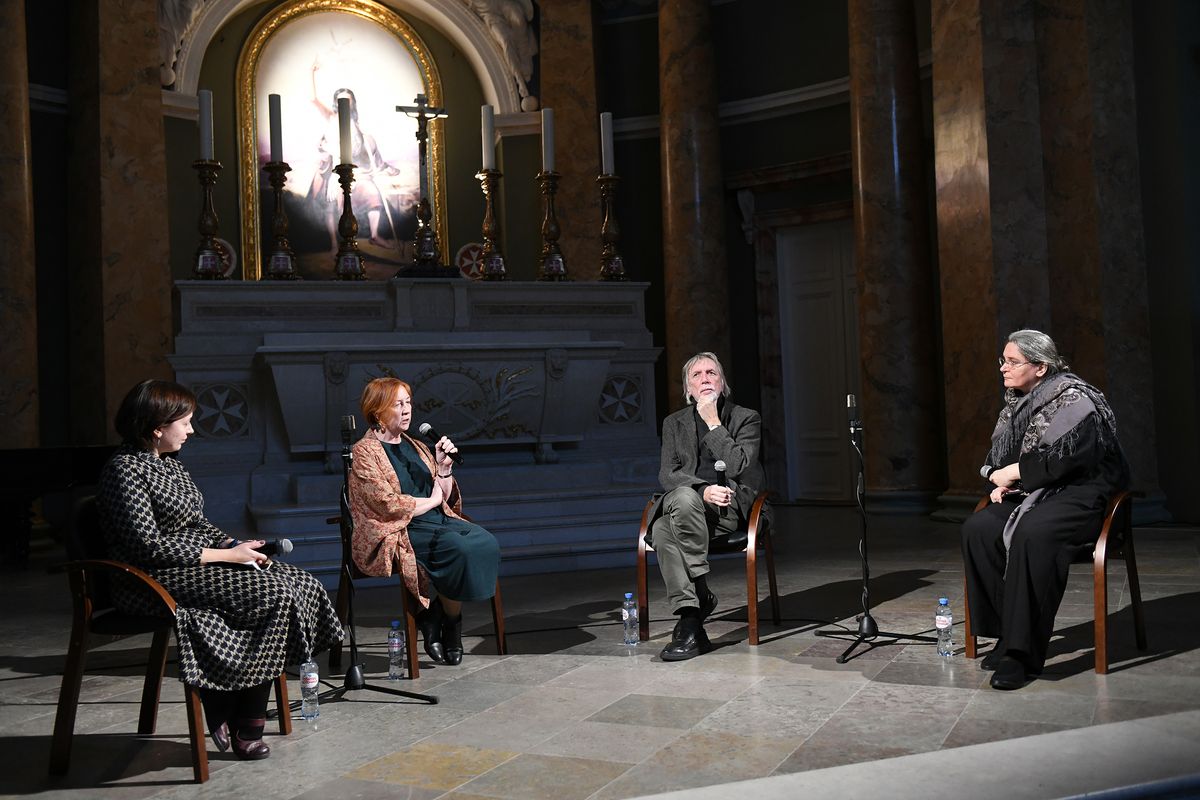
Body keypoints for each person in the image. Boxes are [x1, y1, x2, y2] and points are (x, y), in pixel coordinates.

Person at [96, 380, 344, 760]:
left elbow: (197, 522)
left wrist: (235, 545)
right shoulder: (124, 471)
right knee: (271, 593)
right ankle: (246, 717)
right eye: (185, 422)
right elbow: (147, 546)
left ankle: (226, 696)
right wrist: (225, 557)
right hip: (149, 577)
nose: (192, 430)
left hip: (191, 566)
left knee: (299, 582)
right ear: (157, 427)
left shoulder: (169, 464)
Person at [962, 330, 1129, 690]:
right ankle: (1006, 633)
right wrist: (1002, 479)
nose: (1003, 368)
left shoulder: (1075, 400)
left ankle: (1021, 654)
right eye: (1003, 360)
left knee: (1033, 533)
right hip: (1036, 489)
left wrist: (1016, 472)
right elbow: (1004, 459)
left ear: (1040, 367)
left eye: (1012, 361)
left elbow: (1070, 460)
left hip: (1082, 492)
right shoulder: (1018, 404)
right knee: (979, 529)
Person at [347, 377, 501, 666]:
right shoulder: (364, 452)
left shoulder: (416, 446)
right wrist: (431, 501)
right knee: (459, 549)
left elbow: (443, 496)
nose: (406, 410)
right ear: (377, 411)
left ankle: (441, 616)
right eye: (398, 404)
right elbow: (387, 504)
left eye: (408, 403)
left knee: (486, 542)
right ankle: (448, 625)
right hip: (398, 528)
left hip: (437, 520)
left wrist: (443, 468)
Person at [646, 352, 766, 661]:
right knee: (684, 499)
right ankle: (693, 610)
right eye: (697, 375)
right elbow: (667, 475)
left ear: (722, 382)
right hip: (689, 503)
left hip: (727, 510)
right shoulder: (673, 423)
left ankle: (693, 611)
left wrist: (713, 422)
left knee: (663, 529)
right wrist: (703, 490)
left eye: (712, 373)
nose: (705, 379)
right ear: (688, 388)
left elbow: (738, 464)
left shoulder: (745, 418)